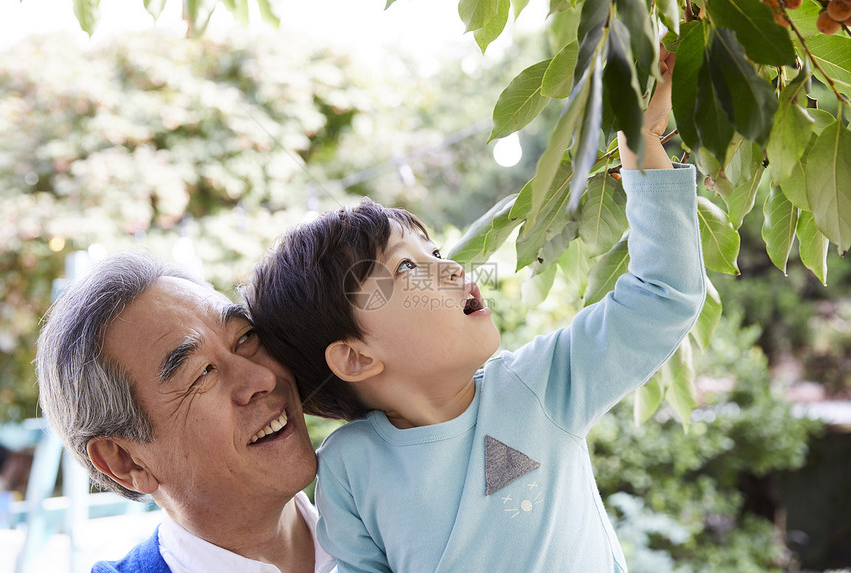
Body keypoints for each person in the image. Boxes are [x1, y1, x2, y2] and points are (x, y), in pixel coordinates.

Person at [244, 47, 705, 572]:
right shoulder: (350, 469)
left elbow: (664, 294)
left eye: (435, 252)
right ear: (354, 358)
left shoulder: (539, 385)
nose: (454, 268)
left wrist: (641, 143)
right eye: (409, 269)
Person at [35, 251, 336, 573]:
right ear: (125, 461)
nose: (262, 379)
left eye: (245, 338)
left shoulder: (387, 533)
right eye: (202, 373)